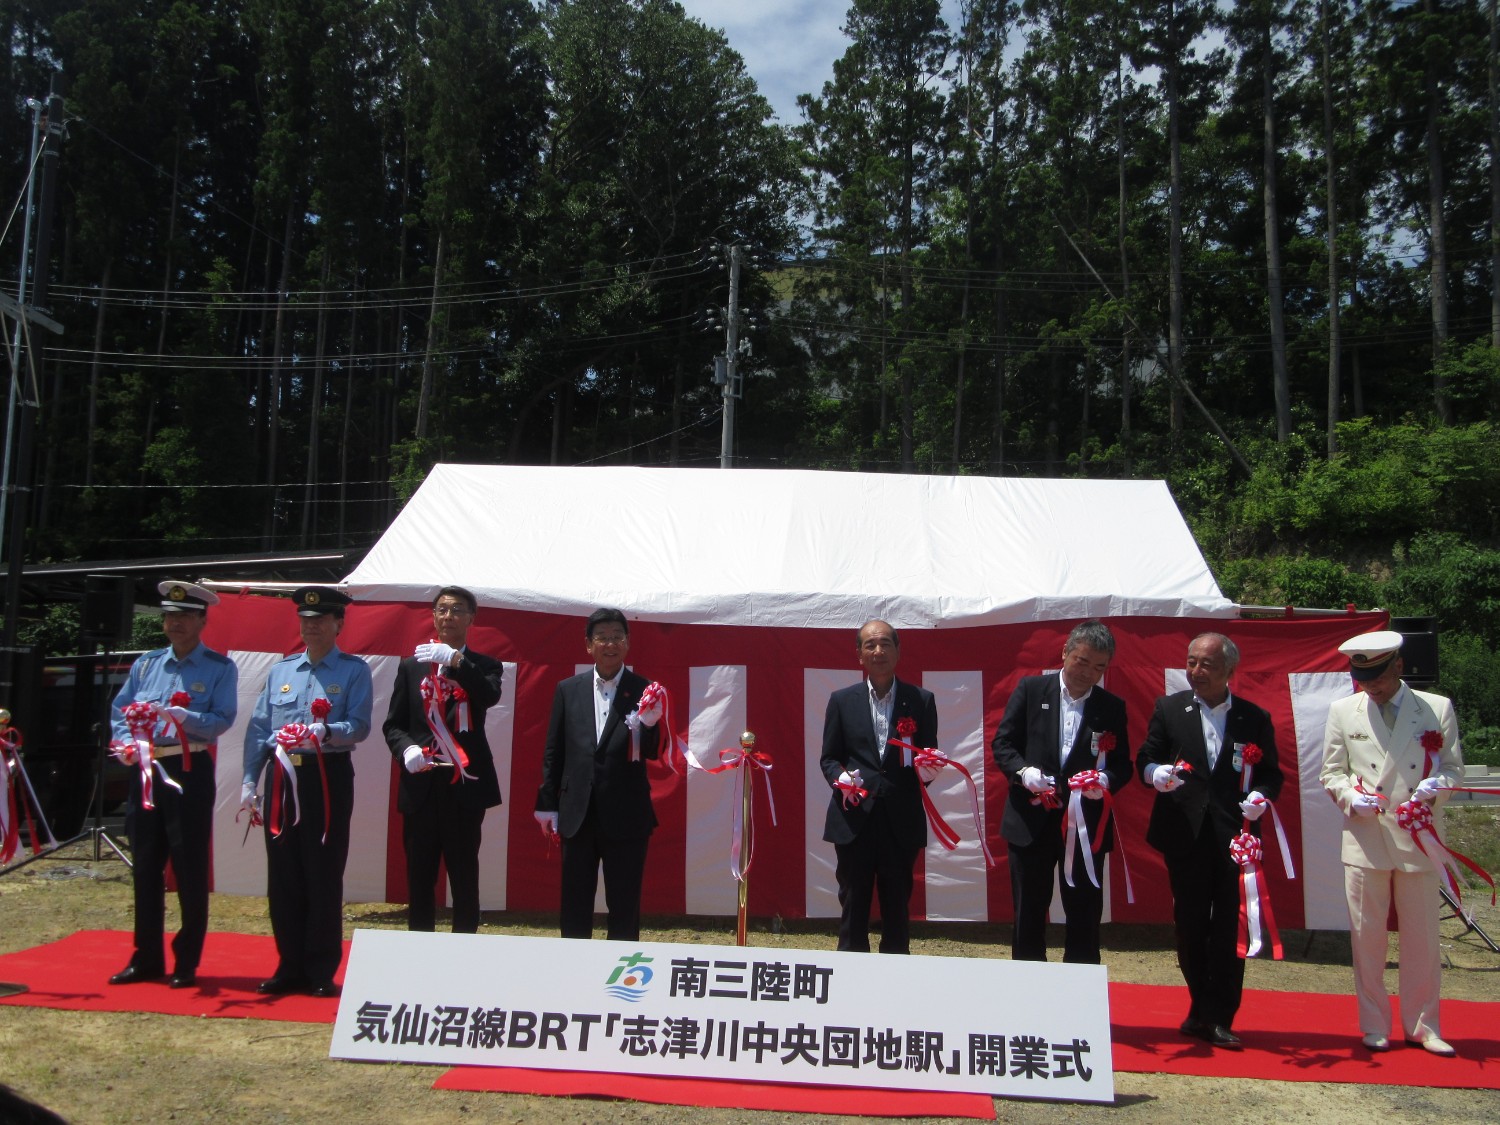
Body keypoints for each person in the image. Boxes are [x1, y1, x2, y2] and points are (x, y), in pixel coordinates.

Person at [1137, 632, 1283, 1050]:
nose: (1197, 672)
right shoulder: (1170, 709)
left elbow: (1271, 773)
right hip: (1184, 833)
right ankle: (1199, 1007)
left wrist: (1261, 797)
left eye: (1207, 665)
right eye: (1192, 662)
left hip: (1234, 837)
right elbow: (1146, 758)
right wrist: (1156, 775)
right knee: (1190, 924)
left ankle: (1219, 1015)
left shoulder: (1253, 717)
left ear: (1229, 671)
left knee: (1228, 928)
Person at [1321, 629, 1463, 1057]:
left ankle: (1424, 1025)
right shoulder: (1344, 710)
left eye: (1378, 677)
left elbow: (1454, 769)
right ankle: (1374, 1023)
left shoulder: (1435, 708)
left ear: (1398, 667)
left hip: (1419, 835)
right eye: (1363, 679)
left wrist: (1435, 787)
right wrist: (1351, 797)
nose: (1371, 687)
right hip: (1367, 837)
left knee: (1422, 938)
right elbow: (1331, 772)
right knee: (1367, 939)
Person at [240, 586, 372, 997]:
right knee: (284, 874)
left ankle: (320, 969)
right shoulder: (282, 671)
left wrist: (328, 731)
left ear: (338, 624)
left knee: (322, 870)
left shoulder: (353, 670)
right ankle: (288, 965)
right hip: (281, 776)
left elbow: (360, 724)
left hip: (325, 776)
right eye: (305, 620)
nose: (311, 626)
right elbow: (260, 729)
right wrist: (249, 779)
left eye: (320, 620)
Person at [107, 580, 237, 989]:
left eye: (184, 616)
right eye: (169, 615)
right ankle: (145, 957)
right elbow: (120, 711)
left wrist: (186, 719)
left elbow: (222, 719)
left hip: (187, 769)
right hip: (145, 770)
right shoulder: (146, 664)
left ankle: (186, 961)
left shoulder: (218, 667)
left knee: (188, 866)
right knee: (145, 866)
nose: (175, 623)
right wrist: (126, 743)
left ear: (202, 619)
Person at [992, 619, 1131, 964]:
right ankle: (1028, 993)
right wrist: (1024, 772)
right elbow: (1004, 743)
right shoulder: (1032, 689)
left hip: (1084, 829)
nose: (1088, 673)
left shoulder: (1111, 707)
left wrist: (1105, 781)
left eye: (1098, 667)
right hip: (1031, 822)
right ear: (1065, 653)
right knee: (1028, 912)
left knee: (1084, 912)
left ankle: (1080, 995)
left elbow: (1122, 764)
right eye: (1082, 661)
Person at [382, 586, 504, 933]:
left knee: (464, 875)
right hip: (421, 785)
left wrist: (456, 661)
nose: (448, 616)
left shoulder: (485, 665)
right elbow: (393, 724)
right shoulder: (411, 666)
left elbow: (488, 695)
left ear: (471, 618)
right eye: (442, 610)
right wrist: (406, 749)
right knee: (419, 877)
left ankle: (462, 951)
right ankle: (419, 954)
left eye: (457, 610)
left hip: (464, 786)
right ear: (433, 616)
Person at [534, 608, 661, 940]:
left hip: (627, 814)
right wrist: (547, 802)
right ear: (588, 644)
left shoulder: (645, 689)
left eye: (617, 637)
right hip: (578, 812)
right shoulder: (568, 689)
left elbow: (652, 751)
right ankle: (575, 975)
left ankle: (620, 978)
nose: (610, 644)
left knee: (625, 903)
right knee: (575, 903)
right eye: (602, 637)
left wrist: (649, 725)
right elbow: (554, 750)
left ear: (628, 643)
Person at [819, 619, 940, 954]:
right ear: (859, 654)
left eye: (886, 643)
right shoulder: (842, 701)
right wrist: (840, 778)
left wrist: (931, 770)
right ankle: (849, 979)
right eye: (870, 644)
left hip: (900, 820)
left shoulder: (921, 700)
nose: (878, 651)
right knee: (853, 903)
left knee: (897, 906)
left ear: (898, 651)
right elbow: (829, 758)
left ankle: (895, 981)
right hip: (854, 818)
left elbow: (927, 755)